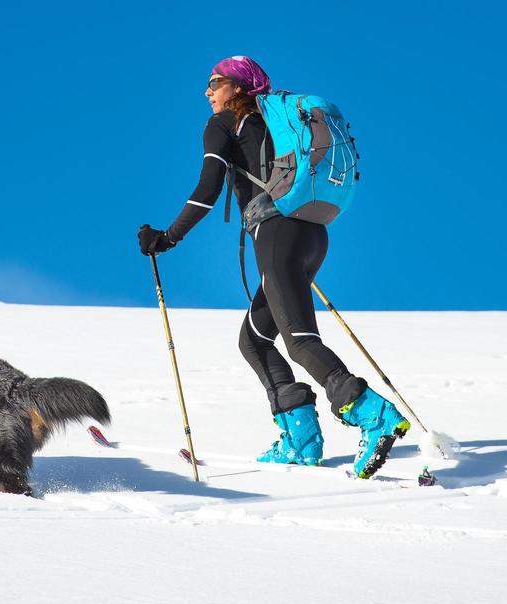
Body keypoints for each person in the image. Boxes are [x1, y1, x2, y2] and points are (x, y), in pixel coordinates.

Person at [137, 55, 409, 478]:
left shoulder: (225, 125)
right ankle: (302, 438)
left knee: (299, 341)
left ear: (239, 88)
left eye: (215, 83)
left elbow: (208, 188)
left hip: (278, 235)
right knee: (255, 339)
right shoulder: (277, 126)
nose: (207, 92)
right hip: (313, 235)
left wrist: (168, 237)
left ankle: (374, 416)